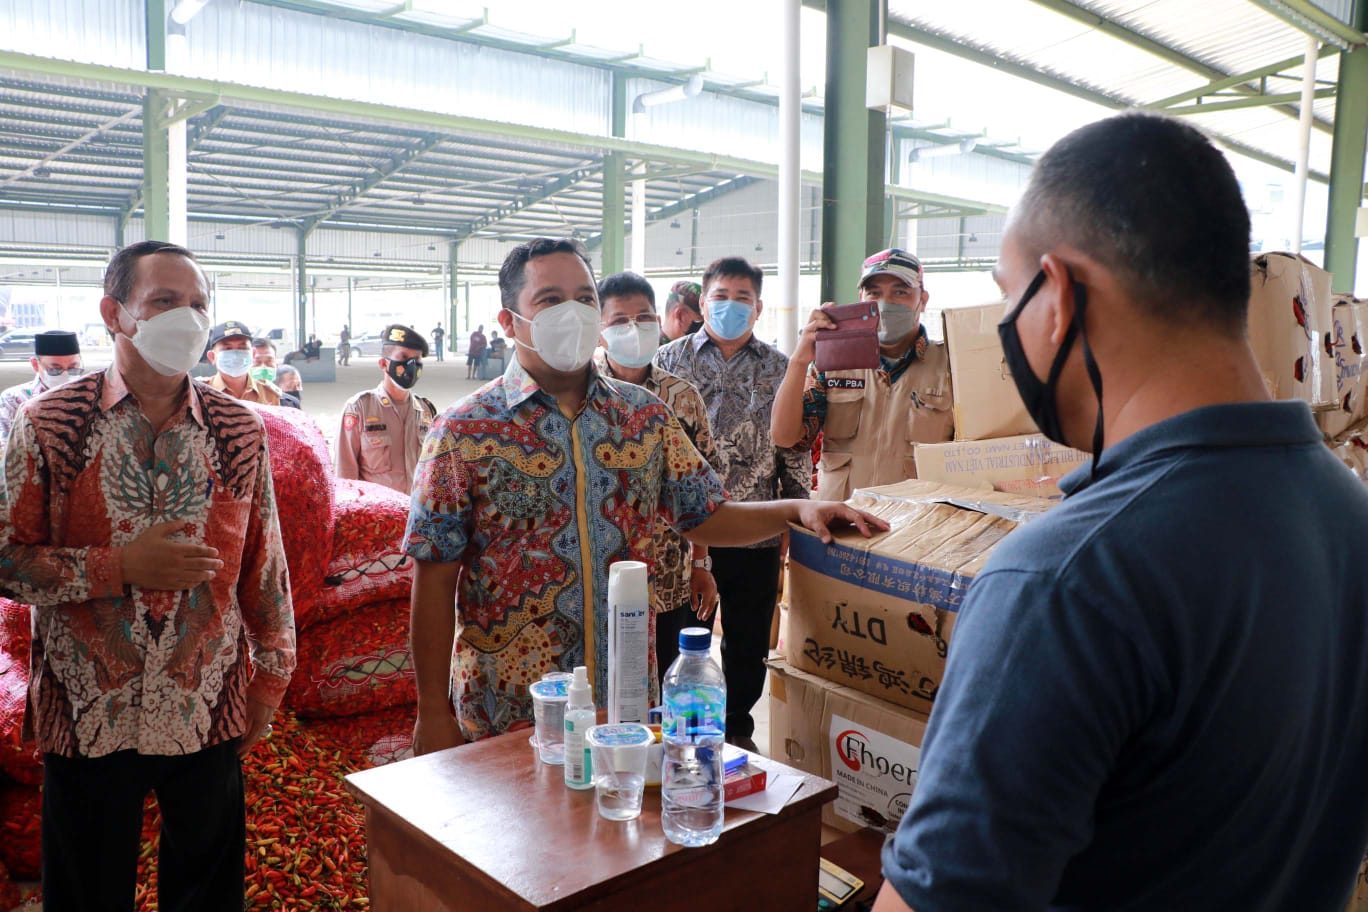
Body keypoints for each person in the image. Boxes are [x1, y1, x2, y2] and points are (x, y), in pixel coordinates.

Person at [874, 113, 1368, 912]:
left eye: (1009, 297)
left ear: (1058, 295)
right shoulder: (1348, 513)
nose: (1007, 331)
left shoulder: (1067, 578)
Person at [405, 238, 885, 753]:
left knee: (618, 825)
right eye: (550, 301)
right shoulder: (463, 432)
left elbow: (705, 515)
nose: (574, 313)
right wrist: (432, 710)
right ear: (508, 321)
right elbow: (434, 576)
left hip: (625, 703)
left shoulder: (643, 416)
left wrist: (797, 509)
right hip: (508, 710)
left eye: (585, 299)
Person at [0, 239, 295, 911]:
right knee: (87, 891)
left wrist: (271, 678)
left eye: (198, 304)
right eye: (164, 301)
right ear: (115, 313)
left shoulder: (238, 430)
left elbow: (264, 566)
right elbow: (7, 559)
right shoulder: (50, 424)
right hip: (86, 712)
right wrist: (121, 567)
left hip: (207, 703)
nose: (188, 319)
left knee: (206, 891)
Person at [654, 256, 811, 749]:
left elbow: (794, 451)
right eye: (720, 297)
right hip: (684, 532)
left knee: (746, 640)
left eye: (742, 299)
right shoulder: (669, 361)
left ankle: (737, 728)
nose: (729, 306)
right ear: (702, 303)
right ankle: (683, 729)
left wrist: (795, 521)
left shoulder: (781, 368)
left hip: (755, 530)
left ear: (758, 308)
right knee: (685, 637)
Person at [593, 270, 720, 690]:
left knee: (666, 689)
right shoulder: (580, 391)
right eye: (619, 321)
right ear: (599, 331)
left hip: (668, 578)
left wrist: (701, 563)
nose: (634, 329)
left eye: (645, 318)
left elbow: (702, 494)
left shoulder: (682, 397)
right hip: (595, 581)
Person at [771, 248, 954, 501]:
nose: (885, 303)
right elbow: (786, 438)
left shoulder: (950, 367)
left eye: (900, 292)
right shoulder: (833, 363)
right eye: (874, 293)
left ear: (922, 300)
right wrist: (799, 361)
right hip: (842, 522)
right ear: (861, 298)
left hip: (916, 526)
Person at [334, 323, 437, 494]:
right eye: (403, 357)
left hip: (417, 517)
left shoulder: (426, 412)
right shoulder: (359, 408)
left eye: (417, 359)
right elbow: (345, 476)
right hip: (377, 517)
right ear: (383, 364)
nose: (412, 365)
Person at [0, 329, 83, 450]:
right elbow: (7, 448)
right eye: (55, 370)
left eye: (73, 368)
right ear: (35, 364)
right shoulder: (14, 399)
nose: (65, 375)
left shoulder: (91, 395)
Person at [205, 321, 287, 406]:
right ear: (212, 357)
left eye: (242, 348)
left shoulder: (270, 394)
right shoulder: (199, 392)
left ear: (253, 354)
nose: (235, 355)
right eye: (227, 348)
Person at [249, 337, 300, 409]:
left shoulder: (291, 403)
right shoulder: (238, 404)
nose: (263, 367)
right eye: (257, 361)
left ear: (276, 364)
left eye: (269, 361)